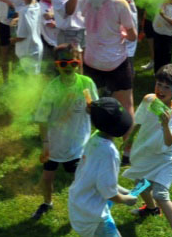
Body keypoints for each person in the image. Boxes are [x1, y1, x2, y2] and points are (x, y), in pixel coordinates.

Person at [30, 43, 98, 221]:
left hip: (78, 142)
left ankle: (83, 206)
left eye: (73, 63)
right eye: (63, 64)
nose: (69, 67)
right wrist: (45, 144)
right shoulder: (52, 88)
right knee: (46, 178)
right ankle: (47, 202)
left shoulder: (86, 83)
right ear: (56, 64)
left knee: (78, 179)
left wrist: (92, 109)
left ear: (78, 64)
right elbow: (42, 118)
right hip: (55, 143)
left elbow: (95, 109)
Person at [123, 65, 172, 237]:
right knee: (141, 185)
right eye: (159, 84)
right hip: (149, 150)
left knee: (160, 194)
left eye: (167, 87)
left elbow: (169, 142)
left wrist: (165, 125)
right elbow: (138, 121)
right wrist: (129, 140)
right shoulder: (149, 99)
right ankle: (151, 209)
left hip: (169, 156)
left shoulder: (171, 111)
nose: (161, 89)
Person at [67, 97, 137, 237]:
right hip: (93, 215)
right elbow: (108, 193)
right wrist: (127, 200)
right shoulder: (109, 153)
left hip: (80, 203)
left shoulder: (95, 137)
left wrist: (122, 190)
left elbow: (98, 178)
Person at [81, 0, 139, 115]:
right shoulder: (120, 3)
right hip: (115, 62)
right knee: (127, 104)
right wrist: (123, 33)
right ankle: (128, 141)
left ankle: (93, 137)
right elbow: (132, 36)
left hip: (91, 60)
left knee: (92, 106)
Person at [12, 0, 44, 74]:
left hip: (28, 51)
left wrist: (12, 40)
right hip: (37, 47)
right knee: (34, 76)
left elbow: (22, 36)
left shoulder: (23, 12)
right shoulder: (36, 5)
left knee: (29, 81)